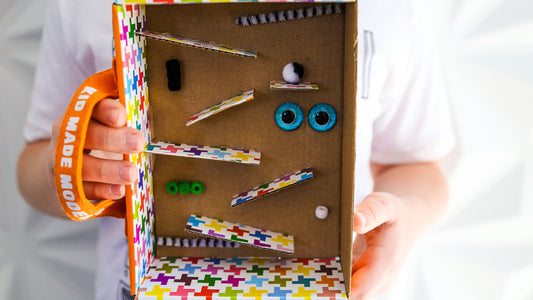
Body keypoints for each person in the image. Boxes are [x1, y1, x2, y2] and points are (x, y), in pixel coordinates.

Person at [17, 0, 454, 299]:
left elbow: (416, 164)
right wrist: (69, 166)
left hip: (322, 275)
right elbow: (33, 167)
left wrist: (404, 221)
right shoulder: (82, 6)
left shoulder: (396, 9)